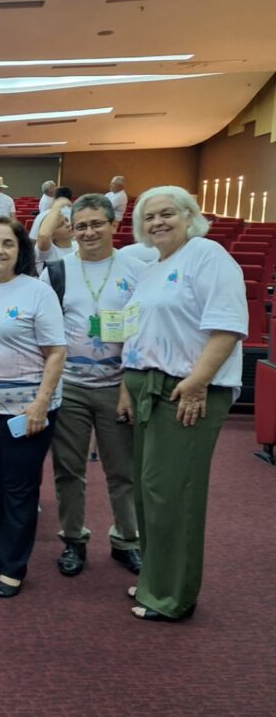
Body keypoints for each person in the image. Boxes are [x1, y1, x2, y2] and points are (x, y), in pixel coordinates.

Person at [117, 186, 246, 622]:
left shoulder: (207, 255)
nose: (157, 222)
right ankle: (155, 579)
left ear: (189, 216)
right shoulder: (154, 267)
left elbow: (228, 327)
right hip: (149, 389)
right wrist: (128, 384)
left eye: (167, 213)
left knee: (174, 494)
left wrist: (196, 383)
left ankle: (172, 597)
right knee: (150, 491)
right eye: (149, 217)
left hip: (185, 391)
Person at [0, 218, 66, 598]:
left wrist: (41, 404)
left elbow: (56, 352)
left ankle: (13, 564)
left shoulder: (37, 292)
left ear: (20, 250)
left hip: (27, 409)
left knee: (19, 488)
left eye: (8, 243)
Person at [41, 194, 143, 578]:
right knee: (69, 469)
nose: (88, 232)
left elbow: (145, 332)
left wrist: (130, 386)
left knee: (123, 472)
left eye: (97, 223)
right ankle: (73, 539)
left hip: (119, 386)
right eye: (80, 225)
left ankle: (127, 540)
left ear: (114, 224)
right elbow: (43, 331)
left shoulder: (137, 270)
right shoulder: (57, 271)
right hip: (69, 386)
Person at [35, 194, 78, 273]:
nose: (68, 225)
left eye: (67, 220)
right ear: (52, 234)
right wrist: (57, 206)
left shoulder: (78, 245)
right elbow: (44, 236)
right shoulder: (48, 251)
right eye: (61, 224)